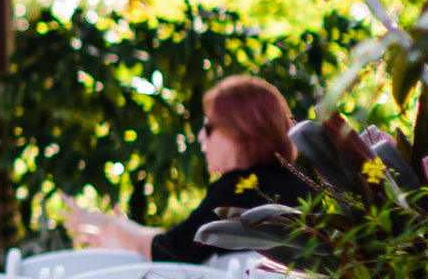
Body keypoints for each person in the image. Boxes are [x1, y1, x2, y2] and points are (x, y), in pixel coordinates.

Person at [66, 75, 306, 263]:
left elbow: (172, 252)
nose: (201, 137)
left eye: (209, 127)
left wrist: (116, 227)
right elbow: (187, 240)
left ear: (241, 132)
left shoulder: (241, 188)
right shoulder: (300, 184)